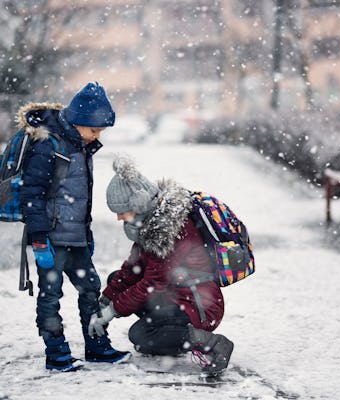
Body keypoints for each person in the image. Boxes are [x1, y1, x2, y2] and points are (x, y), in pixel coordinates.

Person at [19, 82, 130, 372]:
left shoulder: (81, 146)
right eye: (94, 130)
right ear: (77, 120)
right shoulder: (49, 146)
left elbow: (80, 198)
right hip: (51, 239)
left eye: (101, 132)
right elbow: (33, 195)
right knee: (50, 295)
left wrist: (85, 232)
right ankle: (56, 353)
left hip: (76, 238)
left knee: (91, 289)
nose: (98, 136)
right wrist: (39, 239)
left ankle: (96, 346)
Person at [89, 157, 234, 377]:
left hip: (199, 304)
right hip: (176, 296)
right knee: (115, 279)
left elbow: (152, 283)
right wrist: (106, 300)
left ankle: (212, 343)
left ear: (139, 203)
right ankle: (170, 338)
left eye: (122, 211)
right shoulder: (151, 223)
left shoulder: (168, 230)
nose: (119, 218)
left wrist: (113, 311)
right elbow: (131, 270)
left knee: (141, 334)